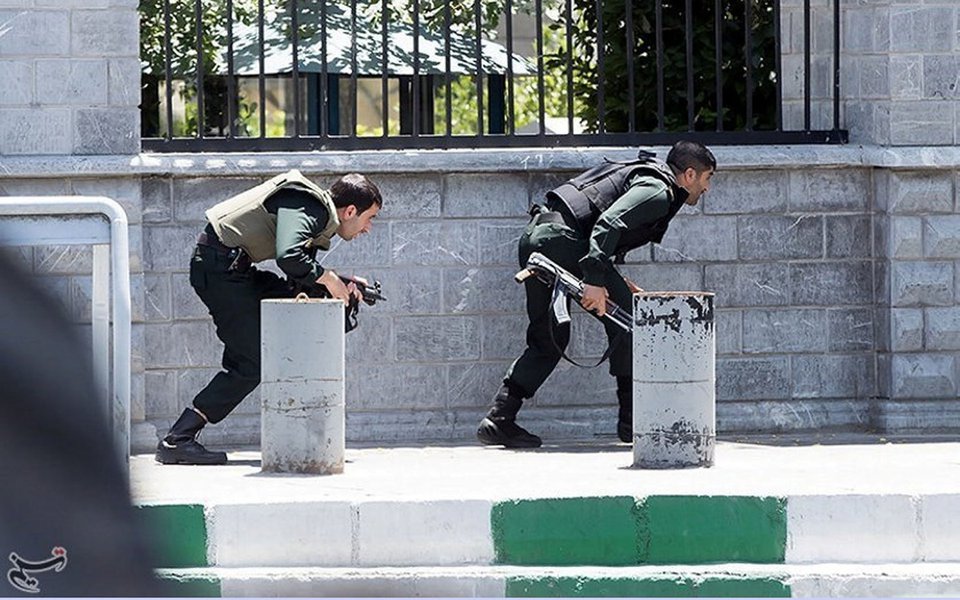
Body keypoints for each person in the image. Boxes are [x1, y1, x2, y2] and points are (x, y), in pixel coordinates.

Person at [476, 141, 716, 448]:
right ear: (691, 174)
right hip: (563, 243)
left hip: (538, 237)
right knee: (630, 321)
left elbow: (597, 224)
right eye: (708, 178)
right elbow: (608, 223)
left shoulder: (648, 179)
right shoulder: (659, 191)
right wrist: (593, 278)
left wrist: (610, 278)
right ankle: (633, 424)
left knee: (550, 335)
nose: (707, 188)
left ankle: (500, 418)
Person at [156, 170, 382, 465]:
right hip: (220, 272)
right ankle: (178, 438)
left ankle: (181, 436)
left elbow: (300, 272)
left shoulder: (315, 211)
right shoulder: (310, 206)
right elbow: (289, 258)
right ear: (350, 210)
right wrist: (329, 280)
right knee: (251, 363)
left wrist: (344, 283)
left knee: (304, 297)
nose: (368, 229)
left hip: (233, 269)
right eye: (370, 219)